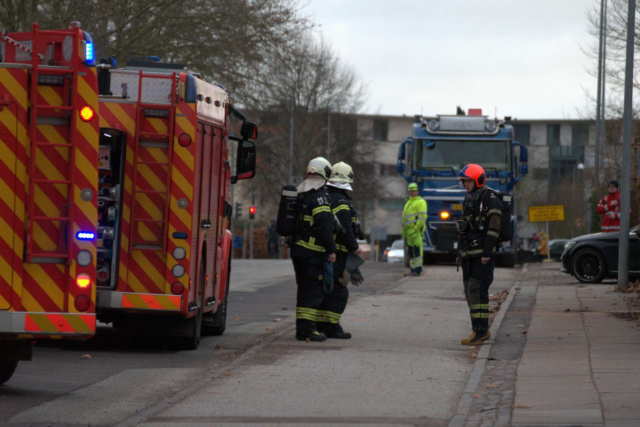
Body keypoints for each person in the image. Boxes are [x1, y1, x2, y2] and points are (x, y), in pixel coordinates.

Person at [455, 164, 502, 345]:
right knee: (469, 290)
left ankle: (481, 330)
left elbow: (494, 228)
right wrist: (460, 252)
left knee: (477, 290)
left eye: (468, 181)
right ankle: (479, 328)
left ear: (477, 180)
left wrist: (487, 253)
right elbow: (464, 228)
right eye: (464, 181)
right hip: (469, 254)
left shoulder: (491, 199)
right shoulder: (469, 199)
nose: (465, 184)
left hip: (483, 255)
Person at [291, 157, 336, 342]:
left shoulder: (301, 192)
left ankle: (302, 328)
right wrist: (331, 250)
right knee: (312, 291)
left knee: (303, 288)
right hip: (313, 253)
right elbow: (324, 226)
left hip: (298, 251)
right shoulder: (320, 196)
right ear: (325, 172)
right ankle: (307, 330)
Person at [317, 162, 361, 339]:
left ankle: (321, 324)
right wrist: (355, 248)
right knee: (339, 291)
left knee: (326, 290)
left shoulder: (325, 196)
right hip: (339, 255)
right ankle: (332, 326)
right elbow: (346, 231)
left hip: (325, 252)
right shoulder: (342, 201)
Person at [402, 183, 427, 276]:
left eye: (413, 191)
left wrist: (416, 229)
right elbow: (405, 218)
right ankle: (413, 269)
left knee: (417, 251)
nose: (412, 193)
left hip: (416, 231)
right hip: (409, 232)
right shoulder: (409, 202)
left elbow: (422, 217)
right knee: (411, 252)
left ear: (417, 191)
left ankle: (418, 269)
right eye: (410, 191)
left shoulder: (420, 202)